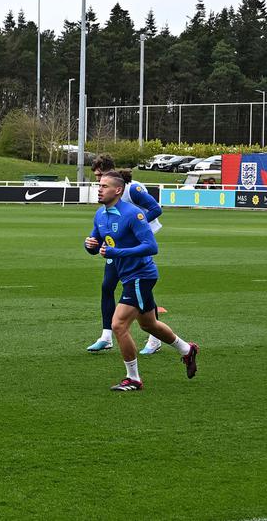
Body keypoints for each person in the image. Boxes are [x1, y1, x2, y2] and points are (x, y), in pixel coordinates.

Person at [84, 172, 198, 391]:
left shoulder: (133, 214)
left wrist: (118, 252)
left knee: (118, 325)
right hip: (128, 274)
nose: (99, 189)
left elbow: (151, 247)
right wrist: (89, 245)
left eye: (104, 186)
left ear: (118, 190)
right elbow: (96, 243)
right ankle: (186, 349)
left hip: (140, 276)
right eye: (99, 185)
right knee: (149, 324)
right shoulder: (100, 214)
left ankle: (133, 378)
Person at [86, 155, 166, 354]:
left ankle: (155, 337)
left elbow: (156, 208)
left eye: (100, 176)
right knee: (108, 286)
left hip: (136, 246)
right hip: (117, 246)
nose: (98, 182)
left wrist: (134, 227)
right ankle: (106, 336)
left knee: (140, 286)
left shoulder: (132, 188)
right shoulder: (104, 202)